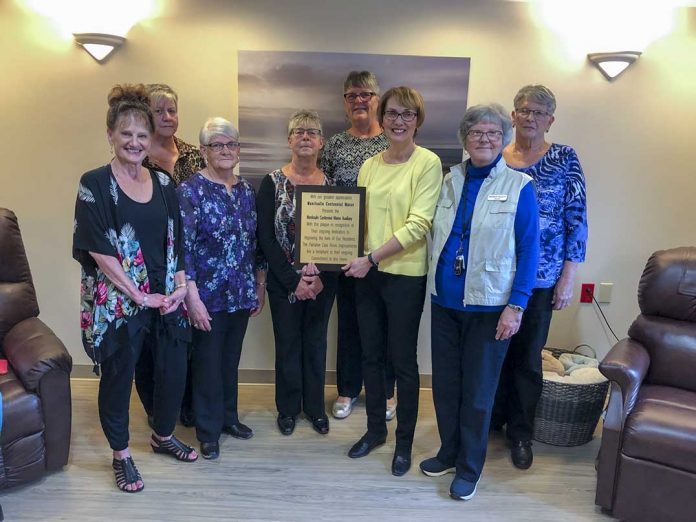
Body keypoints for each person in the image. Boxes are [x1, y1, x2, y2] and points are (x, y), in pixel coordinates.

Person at [73, 84, 197, 494]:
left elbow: (177, 239)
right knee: (119, 376)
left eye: (142, 135)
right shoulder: (94, 183)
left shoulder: (163, 183)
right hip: (120, 300)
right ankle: (121, 454)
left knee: (173, 369)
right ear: (110, 134)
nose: (134, 142)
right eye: (125, 133)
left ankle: (163, 436)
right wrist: (140, 295)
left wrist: (180, 286)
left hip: (166, 296)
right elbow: (99, 249)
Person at [418, 104, 539, 501]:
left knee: (477, 393)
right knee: (446, 386)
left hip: (490, 307)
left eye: (492, 133)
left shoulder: (520, 186)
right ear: (465, 139)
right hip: (445, 302)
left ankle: (469, 468)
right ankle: (449, 452)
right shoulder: (450, 179)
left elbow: (529, 250)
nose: (484, 139)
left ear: (503, 139)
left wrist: (516, 306)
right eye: (476, 133)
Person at [343, 87, 442, 477]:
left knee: (402, 361)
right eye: (392, 114)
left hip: (404, 275)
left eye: (407, 114)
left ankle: (403, 443)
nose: (399, 121)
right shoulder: (369, 165)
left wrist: (371, 258)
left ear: (418, 120)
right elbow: (360, 221)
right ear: (381, 118)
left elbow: (419, 224)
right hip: (368, 274)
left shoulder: (428, 163)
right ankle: (374, 431)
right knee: (370, 356)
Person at [492, 84, 588, 469]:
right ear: (513, 115)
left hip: (542, 279)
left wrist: (568, 278)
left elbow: (577, 220)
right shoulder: (496, 157)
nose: (530, 117)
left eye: (539, 112)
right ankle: (491, 421)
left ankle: (520, 433)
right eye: (524, 110)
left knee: (527, 358)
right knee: (493, 354)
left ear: (551, 120)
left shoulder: (564, 158)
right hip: (495, 276)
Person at [177, 117, 266, 460]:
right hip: (206, 297)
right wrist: (192, 298)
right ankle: (208, 430)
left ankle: (229, 418)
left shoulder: (246, 191)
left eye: (231, 144)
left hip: (240, 293)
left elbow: (255, 243)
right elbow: (183, 250)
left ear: (238, 150)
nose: (225, 150)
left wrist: (259, 284)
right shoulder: (190, 191)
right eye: (217, 144)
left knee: (230, 361)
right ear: (204, 151)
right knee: (207, 364)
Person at [320, 71, 396, 421]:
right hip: (346, 250)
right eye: (352, 95)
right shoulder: (334, 145)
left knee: (385, 322)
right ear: (345, 102)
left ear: (378, 99)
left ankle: (385, 391)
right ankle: (348, 388)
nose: (359, 101)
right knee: (349, 322)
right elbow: (322, 195)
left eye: (366, 94)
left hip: (387, 250)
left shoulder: (392, 142)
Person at [256, 110, 338, 436]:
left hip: (322, 283)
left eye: (312, 132)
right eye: (299, 132)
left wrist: (319, 279)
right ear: (289, 140)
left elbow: (338, 240)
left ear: (321, 142)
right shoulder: (271, 183)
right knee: (288, 344)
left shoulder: (333, 187)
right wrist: (293, 281)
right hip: (283, 282)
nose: (305, 137)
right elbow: (265, 237)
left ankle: (315, 408)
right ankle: (288, 408)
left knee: (316, 344)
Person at [136, 83, 206, 429]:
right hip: (150, 258)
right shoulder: (136, 155)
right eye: (159, 110)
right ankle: (154, 406)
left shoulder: (194, 154)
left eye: (172, 110)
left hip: (189, 258)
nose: (166, 116)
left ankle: (187, 403)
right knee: (150, 337)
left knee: (187, 335)